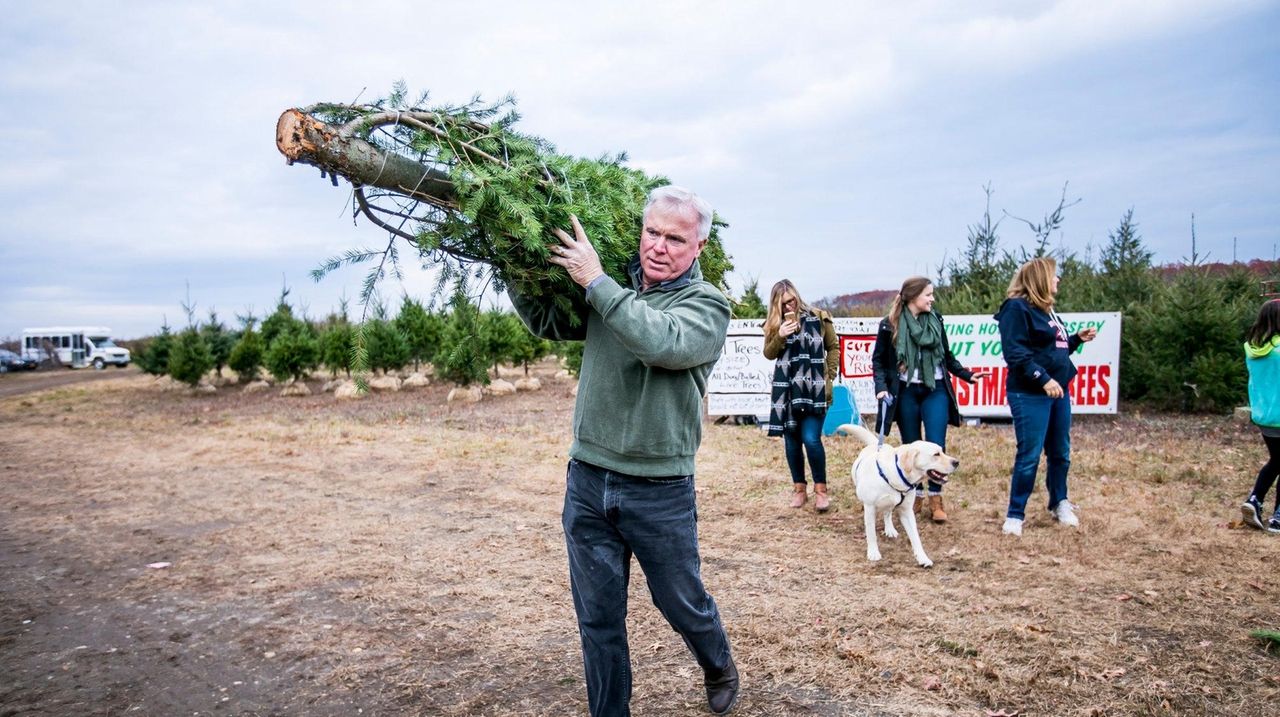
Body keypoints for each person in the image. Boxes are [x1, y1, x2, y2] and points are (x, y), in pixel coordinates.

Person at [510, 186, 739, 716]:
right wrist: (510, 262)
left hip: (658, 489)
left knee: (680, 603)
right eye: (651, 232)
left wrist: (597, 281)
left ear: (698, 246)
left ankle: (717, 661)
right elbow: (547, 322)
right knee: (598, 619)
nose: (658, 246)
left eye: (674, 238)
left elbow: (660, 342)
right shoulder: (611, 289)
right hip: (588, 478)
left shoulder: (706, 306)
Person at [871, 276, 988, 523]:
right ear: (913, 297)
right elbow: (879, 361)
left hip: (935, 390)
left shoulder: (936, 320)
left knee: (936, 445)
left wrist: (967, 375)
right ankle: (915, 497)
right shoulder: (889, 325)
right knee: (912, 448)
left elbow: (947, 356)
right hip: (906, 392)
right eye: (928, 295)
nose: (932, 299)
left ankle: (936, 498)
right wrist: (881, 388)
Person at [994, 257, 1096, 537]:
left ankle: (1059, 502)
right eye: (1053, 276)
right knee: (1029, 455)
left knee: (1060, 452)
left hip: (1058, 392)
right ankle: (1015, 514)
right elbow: (1016, 354)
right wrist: (1044, 379)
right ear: (1039, 279)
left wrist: (1075, 339)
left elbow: (1051, 350)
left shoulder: (1048, 312)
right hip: (1030, 393)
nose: (1057, 280)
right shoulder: (1016, 309)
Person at [763, 280, 839, 512]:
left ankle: (821, 491)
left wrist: (830, 375)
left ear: (797, 296)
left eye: (791, 301)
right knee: (792, 442)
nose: (789, 307)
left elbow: (833, 346)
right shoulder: (774, 324)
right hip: (787, 392)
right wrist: (781, 336)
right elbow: (769, 353)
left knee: (811, 439)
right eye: (783, 303)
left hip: (815, 391)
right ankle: (799, 489)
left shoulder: (818, 317)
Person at [1240, 299, 1280, 531]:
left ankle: (1255, 500)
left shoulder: (1253, 348)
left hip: (1265, 416)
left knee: (1277, 460)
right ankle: (1277, 517)